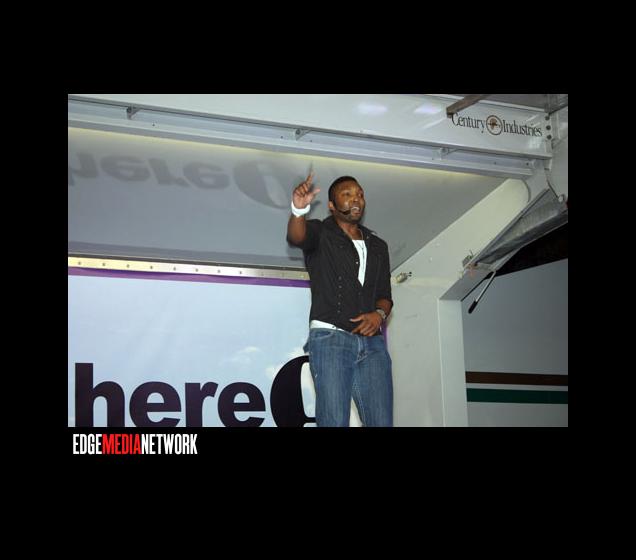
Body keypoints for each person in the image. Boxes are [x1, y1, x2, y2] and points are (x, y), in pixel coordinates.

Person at [287, 172, 394, 427]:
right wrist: (298, 210)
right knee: (334, 421)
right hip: (330, 340)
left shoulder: (378, 245)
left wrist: (378, 315)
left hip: (373, 345)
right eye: (347, 194)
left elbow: (385, 296)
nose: (356, 199)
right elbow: (296, 237)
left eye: (360, 194)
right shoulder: (320, 232)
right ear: (332, 205)